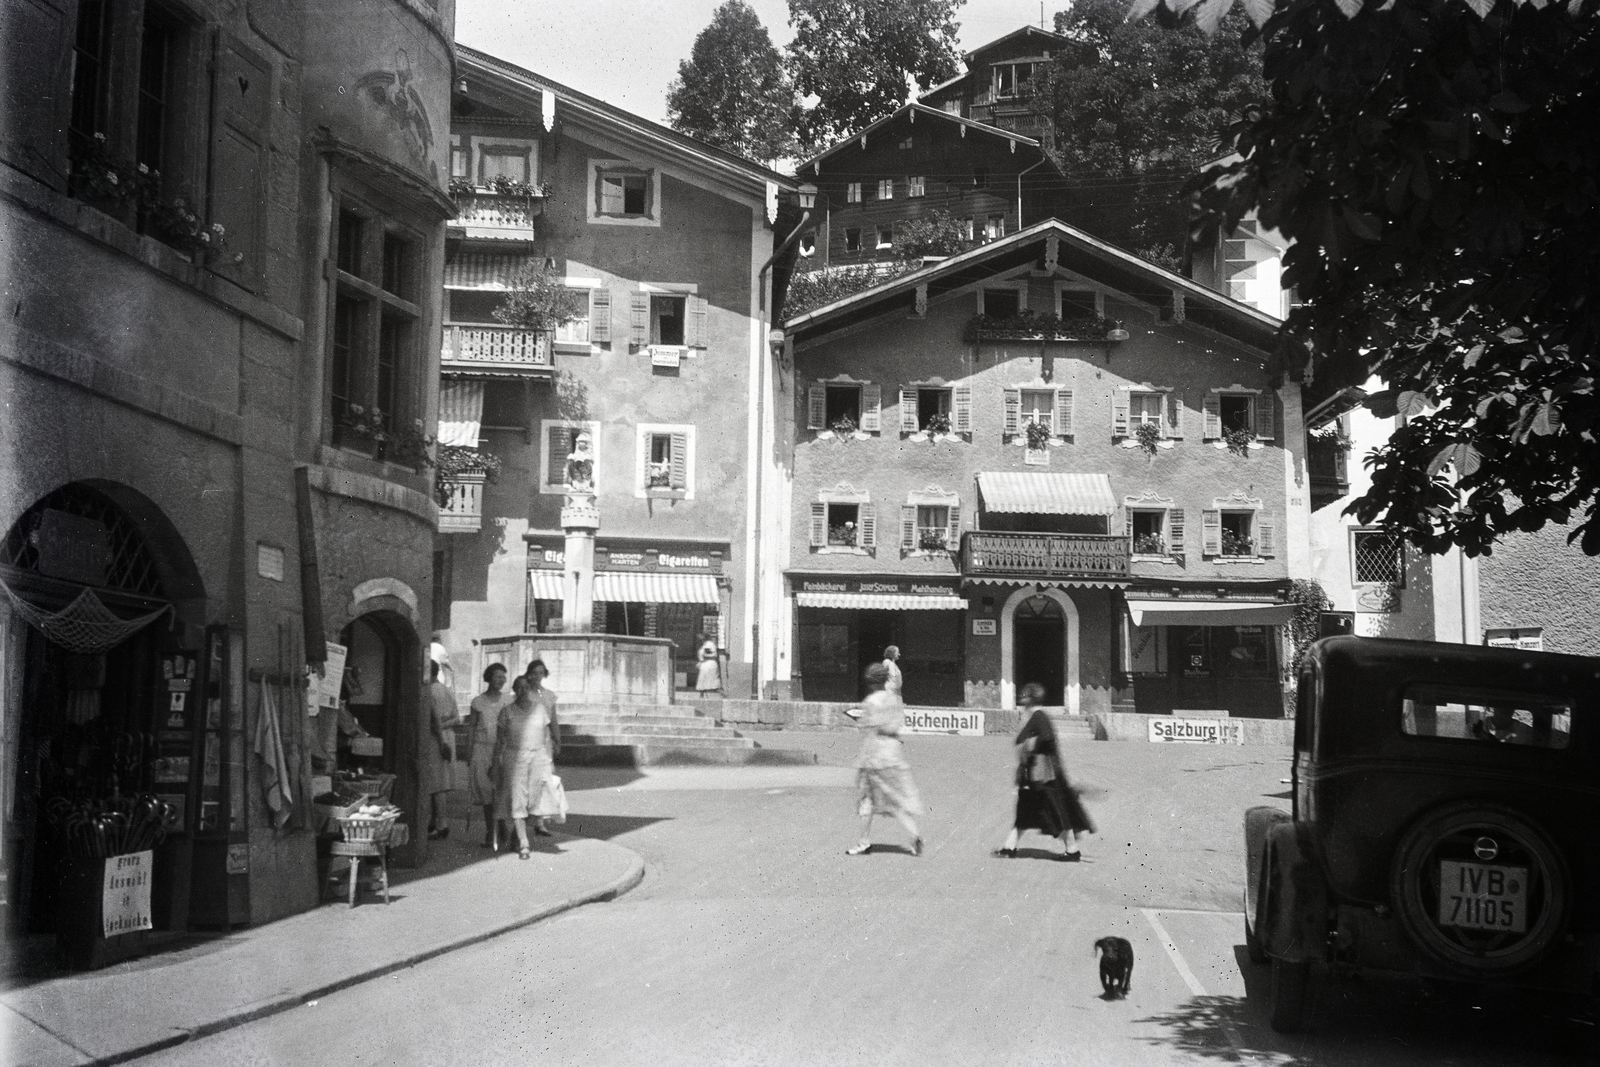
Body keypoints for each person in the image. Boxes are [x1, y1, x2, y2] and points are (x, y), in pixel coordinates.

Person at [994, 682, 1095, 861]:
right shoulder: (1035, 715)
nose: (1021, 698)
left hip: (1043, 777)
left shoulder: (1039, 716)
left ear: (1032, 699)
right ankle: (1009, 847)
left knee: (1055, 813)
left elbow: (1046, 738)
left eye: (1024, 696)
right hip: (1035, 776)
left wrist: (1030, 748)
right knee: (1026, 811)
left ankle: (1072, 850)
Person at [845, 662, 923, 857]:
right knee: (896, 800)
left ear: (870, 683)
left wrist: (861, 762)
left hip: (877, 753)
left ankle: (863, 842)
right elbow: (898, 723)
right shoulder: (895, 699)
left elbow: (868, 730)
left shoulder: (871, 701)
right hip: (894, 752)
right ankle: (914, 835)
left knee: (866, 801)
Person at [495, 663, 562, 859]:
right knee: (517, 798)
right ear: (514, 690)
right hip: (514, 758)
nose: (523, 691)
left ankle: (518, 835)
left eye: (526, 688)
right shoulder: (506, 712)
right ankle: (524, 843)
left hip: (538, 758)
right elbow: (499, 741)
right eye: (519, 688)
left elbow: (546, 735)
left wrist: (549, 758)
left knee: (533, 800)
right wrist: (494, 763)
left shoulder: (540, 709)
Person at [466, 663, 513, 848]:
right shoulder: (478, 702)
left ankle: (500, 826)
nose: (500, 680)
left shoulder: (508, 701)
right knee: (486, 793)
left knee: (500, 792)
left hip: (501, 751)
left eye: (503, 677)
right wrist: (468, 752)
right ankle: (490, 832)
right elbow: (471, 727)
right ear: (488, 677)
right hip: (481, 749)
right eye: (497, 676)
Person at [422, 660, 460, 840]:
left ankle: (441, 824)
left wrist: (438, 729)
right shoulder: (446, 690)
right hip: (447, 736)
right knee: (441, 782)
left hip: (434, 738)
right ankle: (434, 821)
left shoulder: (427, 690)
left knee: (435, 784)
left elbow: (434, 720)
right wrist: (445, 727)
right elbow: (457, 718)